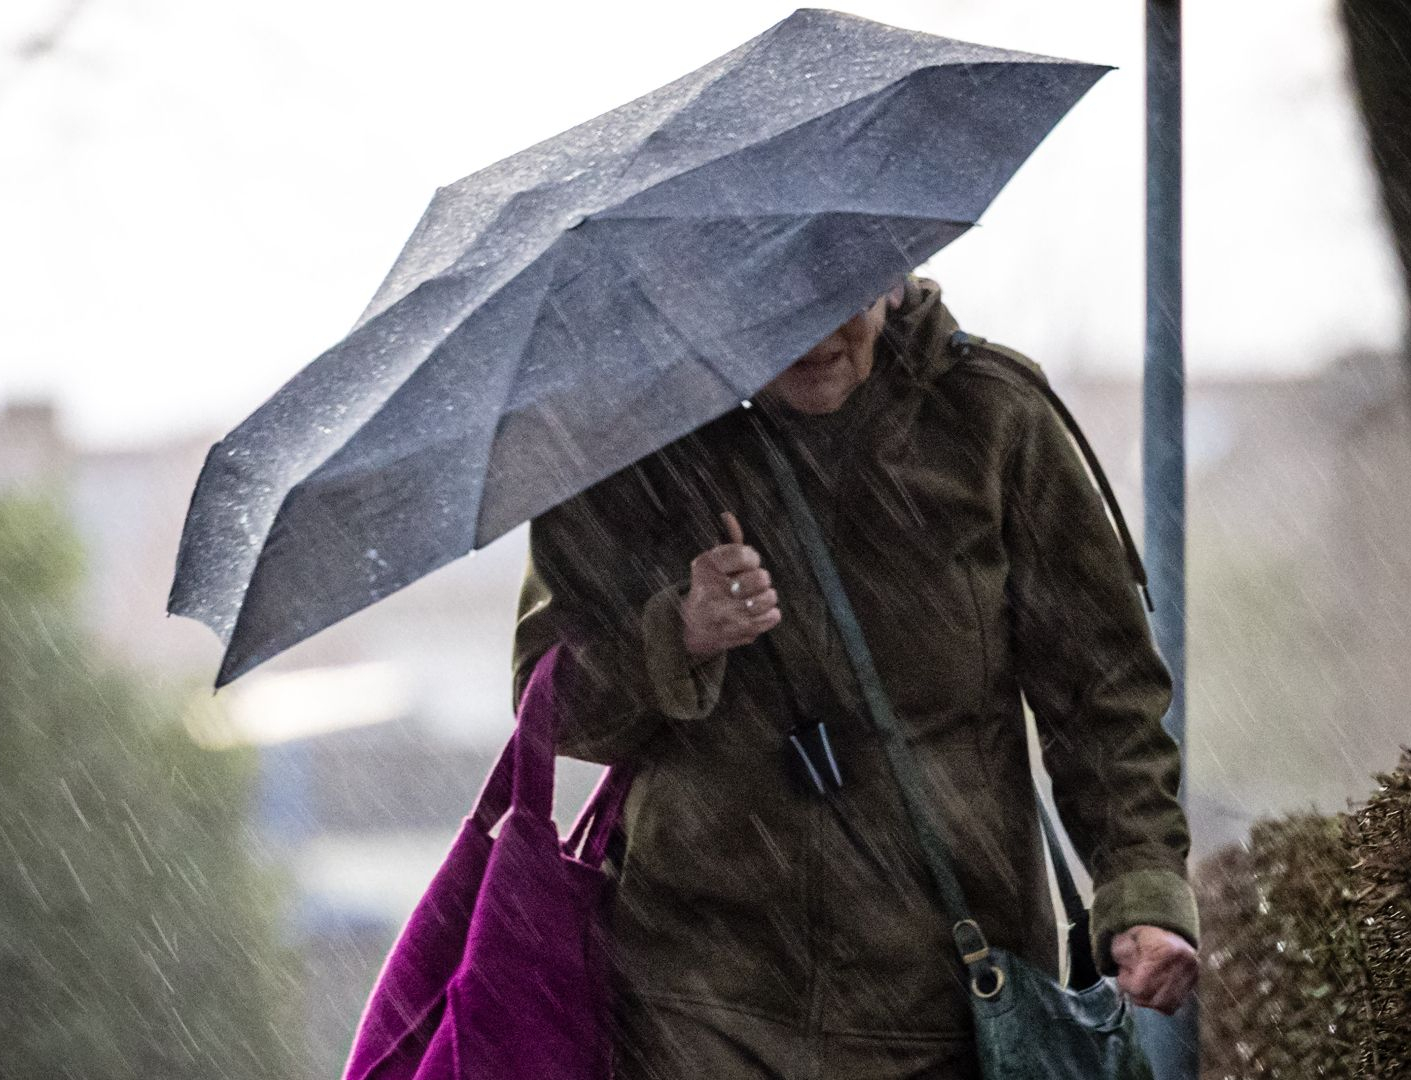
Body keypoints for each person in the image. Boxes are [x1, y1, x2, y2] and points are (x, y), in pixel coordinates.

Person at [512, 275, 1199, 1079]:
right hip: (698, 1010)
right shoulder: (630, 444)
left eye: (839, 297)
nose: (814, 341)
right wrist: (680, 634)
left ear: (893, 272)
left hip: (950, 1001)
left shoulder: (992, 416)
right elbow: (551, 710)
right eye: (776, 306)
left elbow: (1101, 690)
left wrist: (1142, 888)